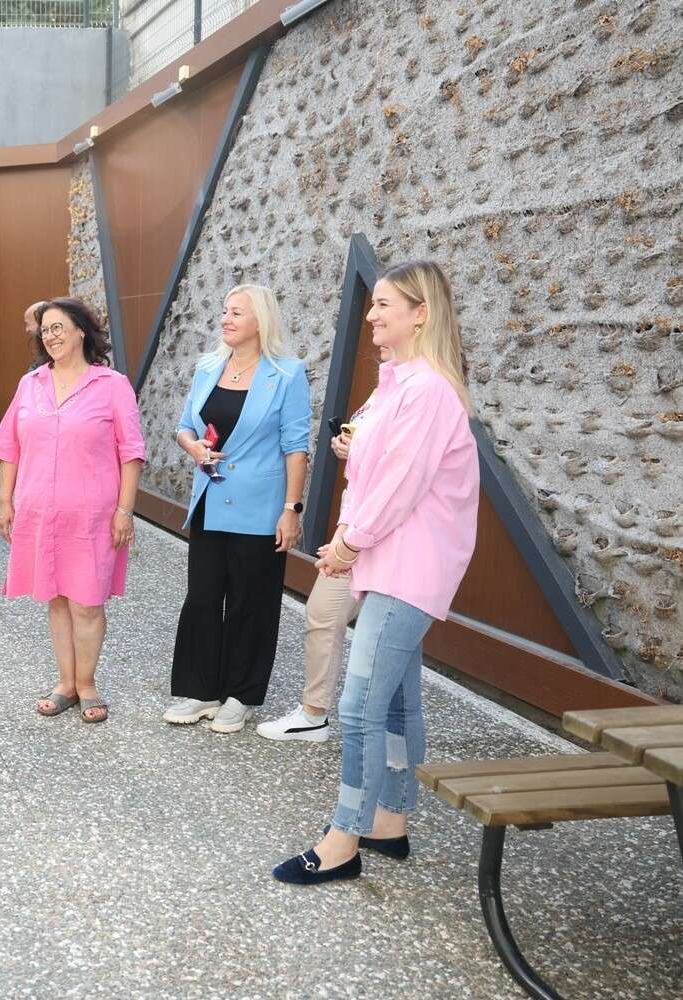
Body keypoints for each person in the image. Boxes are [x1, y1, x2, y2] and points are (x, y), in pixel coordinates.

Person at [273, 260, 478, 885]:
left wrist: (347, 542)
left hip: (406, 566)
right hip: (391, 562)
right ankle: (389, 820)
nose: (371, 315)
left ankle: (344, 837)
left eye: (384, 304)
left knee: (360, 704)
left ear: (421, 314)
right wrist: (352, 452)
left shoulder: (427, 390)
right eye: (373, 304)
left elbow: (401, 483)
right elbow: (378, 462)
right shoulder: (398, 382)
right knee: (393, 702)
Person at [0, 297, 145, 724]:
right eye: (44, 330)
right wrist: (5, 501)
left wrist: (125, 511)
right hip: (39, 511)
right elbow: (9, 447)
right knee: (56, 599)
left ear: (81, 331)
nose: (50, 336)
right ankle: (66, 684)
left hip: (92, 515)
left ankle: (87, 684)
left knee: (87, 603)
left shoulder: (111, 385)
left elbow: (131, 452)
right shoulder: (31, 384)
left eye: (58, 327)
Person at [162, 285, 310, 735]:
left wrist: (291, 509)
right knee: (203, 597)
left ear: (260, 320)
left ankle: (240, 696)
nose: (225, 319)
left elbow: (296, 447)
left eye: (236, 313)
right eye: (225, 311)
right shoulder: (208, 366)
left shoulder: (287, 374)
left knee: (252, 603)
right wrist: (193, 448)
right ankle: (202, 689)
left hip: (261, 508)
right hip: (210, 501)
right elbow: (185, 427)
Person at [256, 347, 390, 743]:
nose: (373, 324)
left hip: (387, 532)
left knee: (387, 638)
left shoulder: (423, 393)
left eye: (383, 319)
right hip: (358, 523)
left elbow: (402, 473)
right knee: (324, 613)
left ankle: (381, 733)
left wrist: (345, 545)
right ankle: (315, 714)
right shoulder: (384, 389)